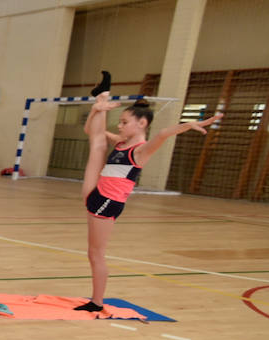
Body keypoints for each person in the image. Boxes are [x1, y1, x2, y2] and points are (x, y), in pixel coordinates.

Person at [75, 92, 219, 311]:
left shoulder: (141, 150)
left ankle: (96, 302)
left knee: (96, 253)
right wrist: (96, 111)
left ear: (142, 123)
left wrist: (188, 124)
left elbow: (162, 134)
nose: (120, 126)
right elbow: (91, 131)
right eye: (120, 122)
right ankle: (100, 103)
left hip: (108, 201)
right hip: (97, 194)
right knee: (96, 141)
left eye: (124, 122)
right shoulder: (122, 142)